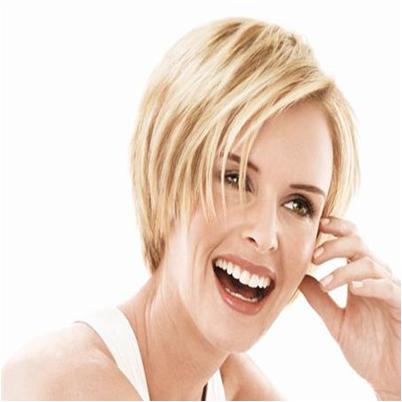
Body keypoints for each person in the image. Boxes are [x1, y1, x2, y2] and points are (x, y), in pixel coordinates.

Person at [2, 17, 400, 401]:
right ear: (167, 174)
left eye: (298, 205)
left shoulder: (240, 389)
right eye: (234, 178)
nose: (265, 235)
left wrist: (392, 383)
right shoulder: (61, 384)